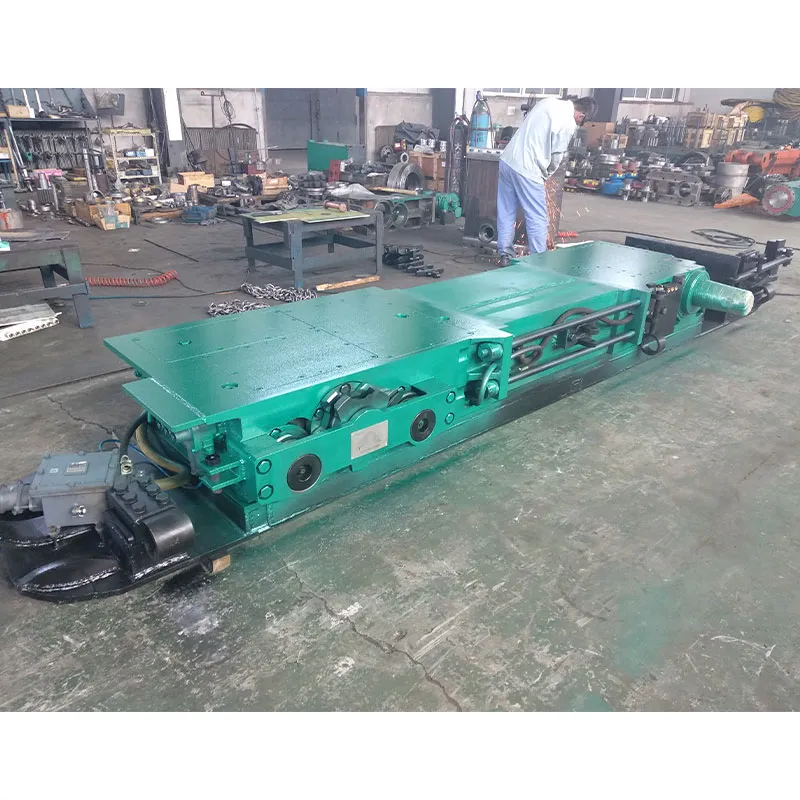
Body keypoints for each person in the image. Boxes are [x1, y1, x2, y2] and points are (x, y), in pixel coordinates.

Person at [495, 95, 597, 265]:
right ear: (581, 115)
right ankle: (539, 261)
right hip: (528, 169)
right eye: (581, 122)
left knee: (506, 210)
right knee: (537, 217)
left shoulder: (548, 102)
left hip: (507, 161)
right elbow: (556, 157)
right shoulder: (567, 123)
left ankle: (505, 254)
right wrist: (546, 174)